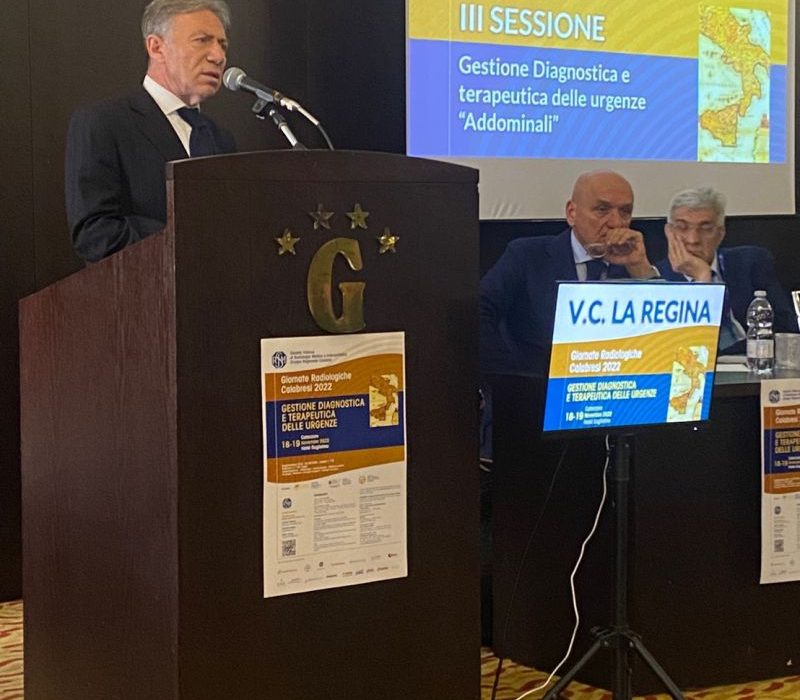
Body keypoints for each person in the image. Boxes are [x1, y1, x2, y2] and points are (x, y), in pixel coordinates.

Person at [65, 0, 237, 263]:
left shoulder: (221, 139)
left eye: (222, 44)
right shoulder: (104, 123)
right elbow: (95, 233)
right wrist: (191, 241)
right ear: (157, 47)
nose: (218, 56)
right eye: (202, 40)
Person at [480, 170, 659, 375]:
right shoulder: (528, 255)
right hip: (538, 385)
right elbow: (478, 314)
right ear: (572, 213)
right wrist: (510, 377)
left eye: (625, 212)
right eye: (602, 210)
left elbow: (666, 337)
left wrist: (640, 269)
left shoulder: (634, 262)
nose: (616, 223)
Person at [656, 186, 797, 353]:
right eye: (682, 227)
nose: (693, 240)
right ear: (669, 232)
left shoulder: (751, 262)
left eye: (706, 229)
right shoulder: (658, 279)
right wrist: (703, 279)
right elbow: (687, 348)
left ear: (721, 234)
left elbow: (787, 331)